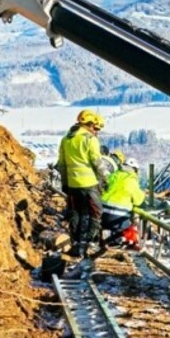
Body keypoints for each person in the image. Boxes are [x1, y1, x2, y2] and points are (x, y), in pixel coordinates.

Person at [55, 109, 109, 258]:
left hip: (72, 185)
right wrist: (106, 179)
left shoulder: (66, 139)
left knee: (76, 214)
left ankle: (76, 244)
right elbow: (97, 163)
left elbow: (61, 164)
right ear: (90, 124)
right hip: (89, 184)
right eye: (96, 128)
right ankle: (90, 245)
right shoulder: (89, 139)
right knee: (95, 213)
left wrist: (65, 183)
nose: (96, 131)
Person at [100, 157, 145, 250]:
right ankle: (131, 244)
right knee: (131, 226)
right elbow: (138, 200)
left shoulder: (112, 176)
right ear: (135, 170)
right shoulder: (132, 181)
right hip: (118, 218)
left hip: (102, 215)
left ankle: (105, 241)